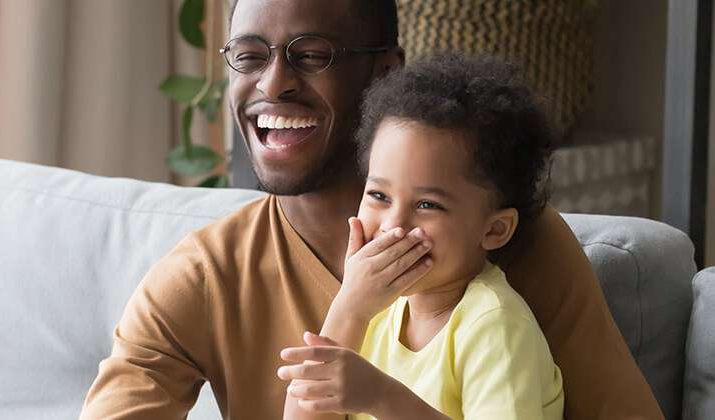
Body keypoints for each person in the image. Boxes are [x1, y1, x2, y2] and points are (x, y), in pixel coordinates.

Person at [79, 1, 663, 419]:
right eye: (248, 56)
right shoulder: (205, 275)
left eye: (310, 55)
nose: (273, 84)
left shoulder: (522, 249)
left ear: (385, 70)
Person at [277, 54, 565, 420]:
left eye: (427, 204)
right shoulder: (375, 310)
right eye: (379, 196)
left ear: (494, 229)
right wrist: (349, 306)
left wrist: (383, 398)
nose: (393, 226)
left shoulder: (494, 325)